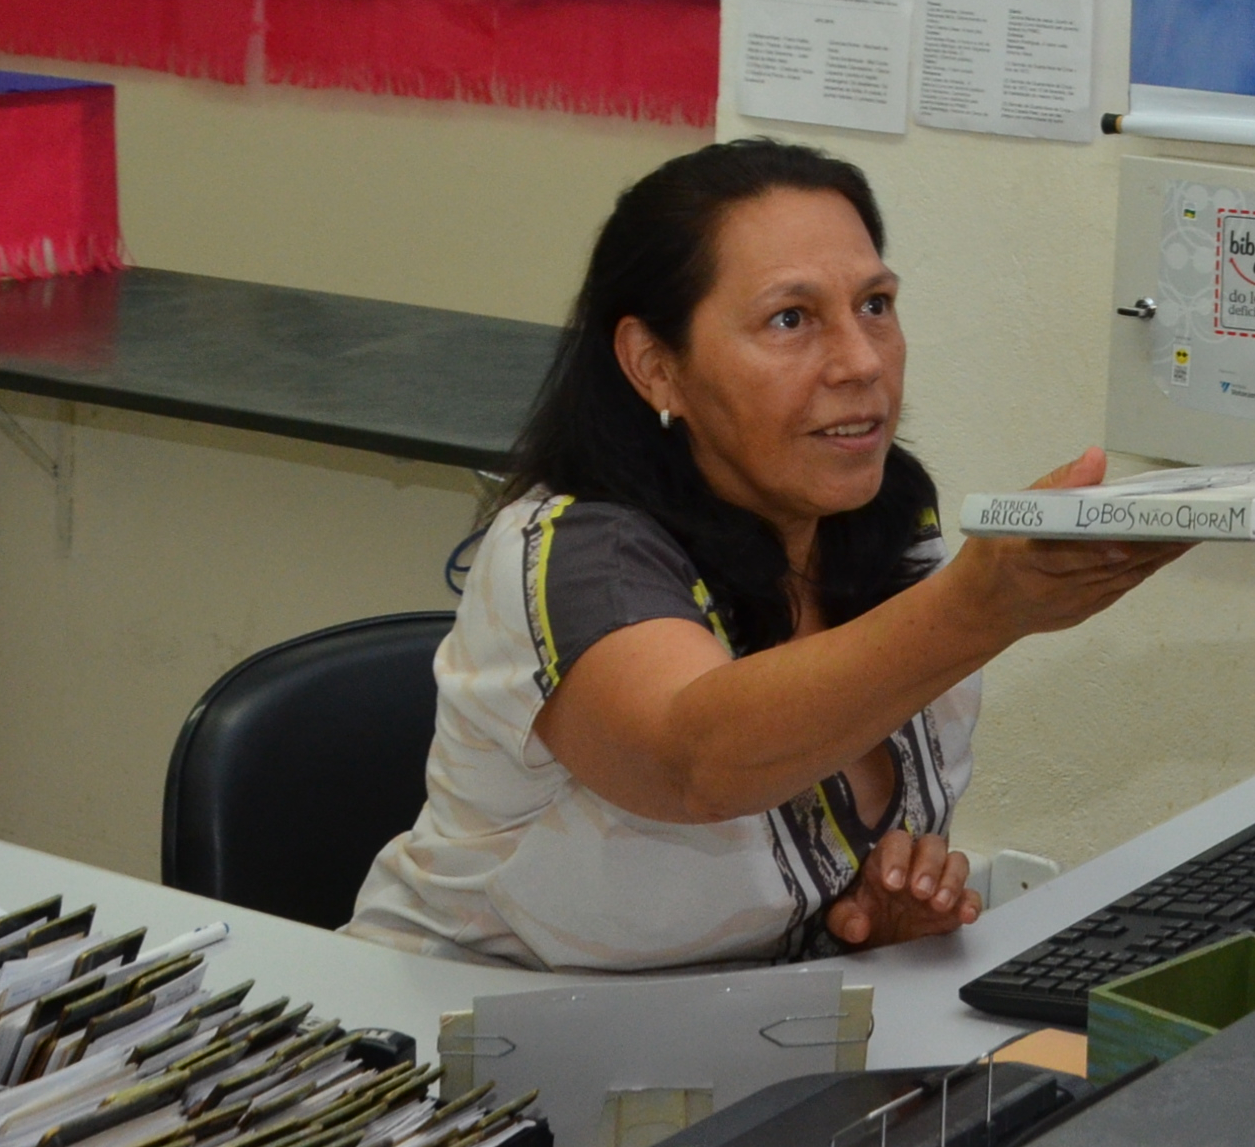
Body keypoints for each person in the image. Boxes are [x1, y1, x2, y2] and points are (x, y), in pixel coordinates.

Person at [350, 139, 1177, 970]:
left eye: (876, 305)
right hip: (452, 1047)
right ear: (654, 367)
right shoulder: (574, 554)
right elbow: (695, 762)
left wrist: (870, 922)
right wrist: (982, 604)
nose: (860, 363)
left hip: (738, 1051)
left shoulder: (886, 514)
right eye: (791, 319)